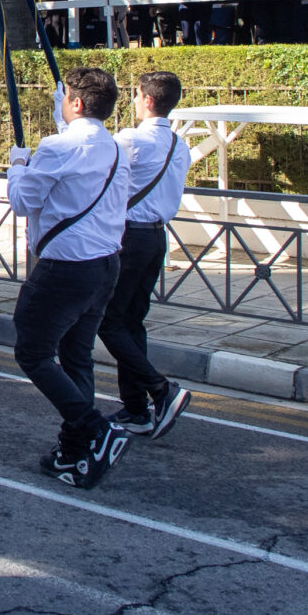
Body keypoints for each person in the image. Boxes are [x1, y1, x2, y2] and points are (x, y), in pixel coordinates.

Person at [6, 66, 132, 490]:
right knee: (77, 355)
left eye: (65, 100)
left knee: (33, 351)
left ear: (76, 103)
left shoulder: (56, 147)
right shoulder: (114, 148)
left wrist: (17, 166)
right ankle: (76, 450)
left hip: (66, 267)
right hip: (106, 264)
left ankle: (92, 427)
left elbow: (23, 202)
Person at [100, 72, 194, 440]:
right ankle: (136, 409)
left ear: (149, 100)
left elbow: (91, 156)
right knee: (131, 322)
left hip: (130, 237)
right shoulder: (179, 144)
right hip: (156, 238)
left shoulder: (132, 140)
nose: (133, 101)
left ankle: (160, 389)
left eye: (136, 95)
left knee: (109, 321)